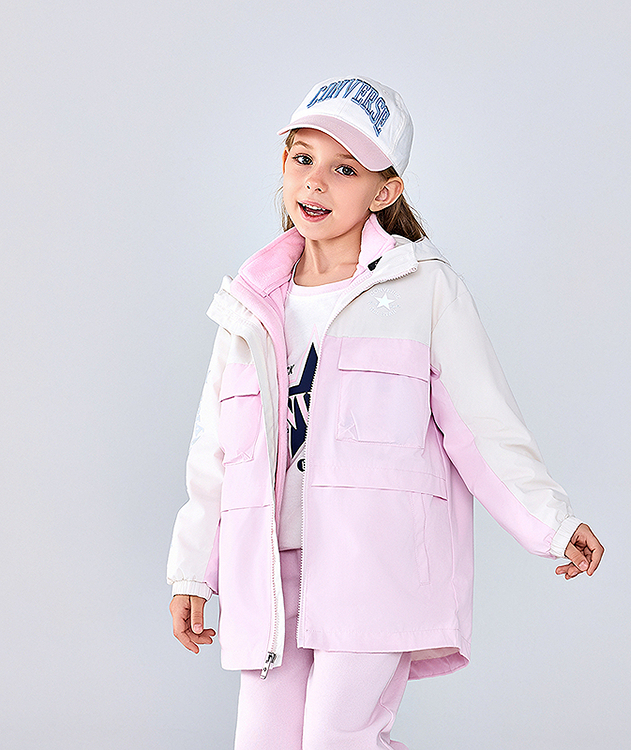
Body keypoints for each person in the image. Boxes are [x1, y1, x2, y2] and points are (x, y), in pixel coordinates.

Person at [167, 75, 604, 750]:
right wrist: (192, 570)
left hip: (375, 562)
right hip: (270, 569)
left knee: (338, 738)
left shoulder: (424, 290)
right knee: (263, 741)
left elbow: (483, 427)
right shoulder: (251, 305)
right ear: (283, 164)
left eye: (345, 169)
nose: (316, 182)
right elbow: (216, 453)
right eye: (303, 158)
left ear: (385, 191)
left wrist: (551, 522)